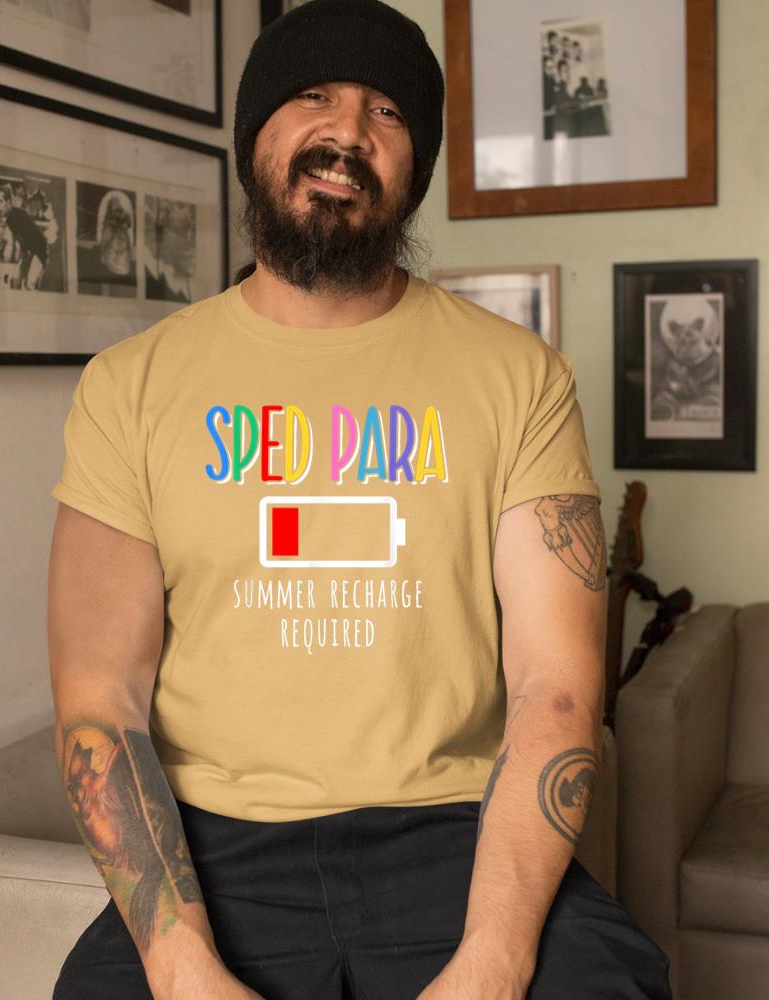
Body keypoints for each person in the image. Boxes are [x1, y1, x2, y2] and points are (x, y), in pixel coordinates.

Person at [47, 2, 672, 998]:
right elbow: (99, 698)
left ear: (414, 168)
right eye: (313, 97)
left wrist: (494, 960)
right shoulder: (130, 386)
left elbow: (555, 685)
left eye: (386, 111)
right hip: (215, 845)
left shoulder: (521, 377)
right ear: (254, 137)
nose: (347, 132)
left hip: (454, 832)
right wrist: (180, 966)